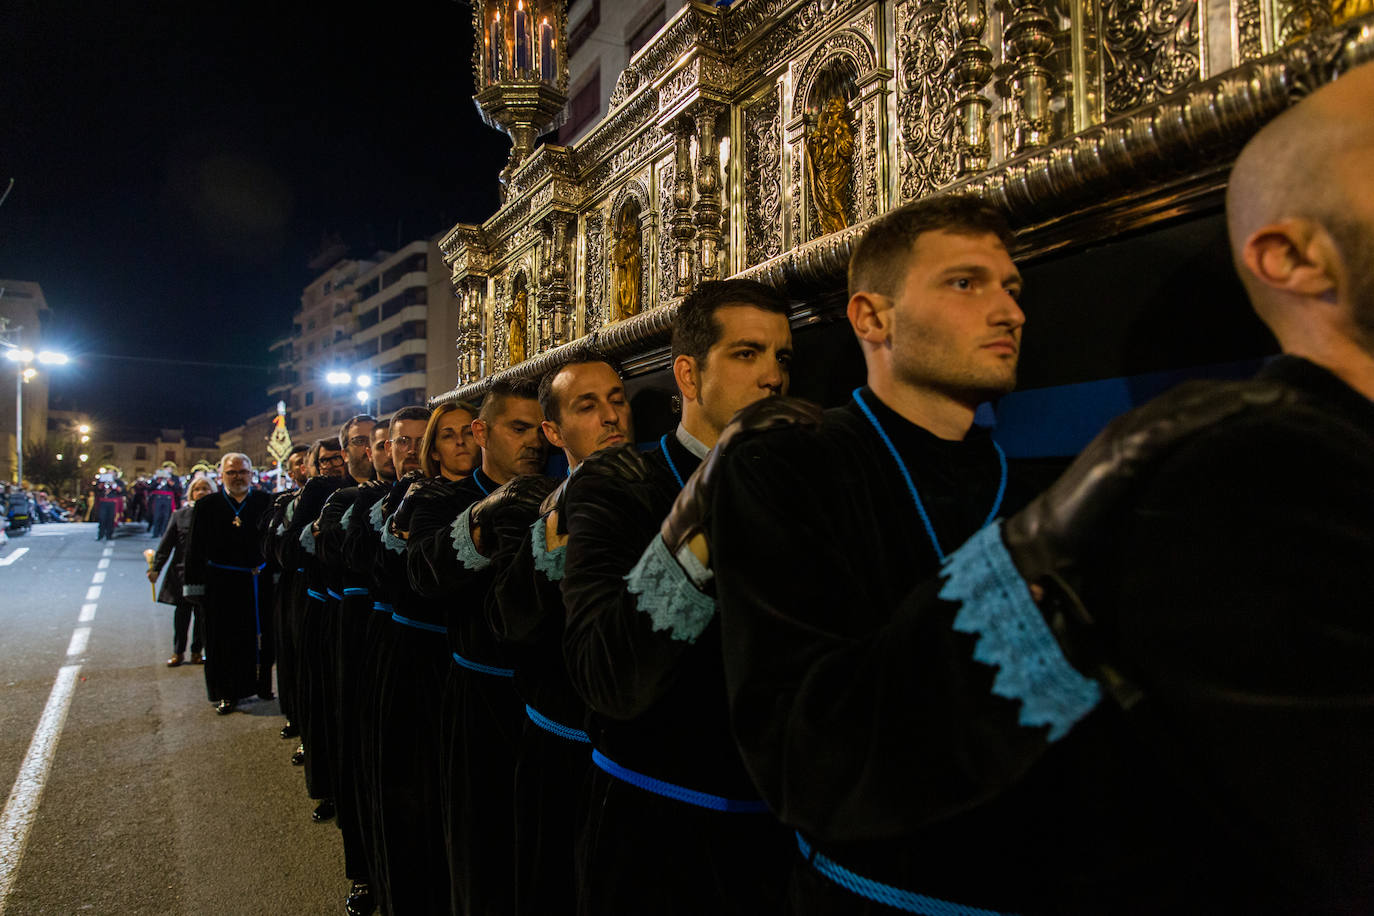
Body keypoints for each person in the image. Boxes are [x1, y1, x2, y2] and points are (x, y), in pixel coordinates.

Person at [558, 278, 794, 915]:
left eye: (782, 357)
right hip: (651, 823)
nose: (773, 376)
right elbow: (606, 674)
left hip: (776, 834)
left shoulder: (801, 475)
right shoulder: (617, 485)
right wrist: (702, 520)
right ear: (687, 374)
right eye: (747, 354)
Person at [490, 354, 633, 915]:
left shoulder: (669, 493)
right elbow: (512, 622)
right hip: (559, 742)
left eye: (618, 399)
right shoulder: (532, 508)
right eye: (588, 405)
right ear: (555, 430)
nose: (611, 416)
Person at [404, 379, 548, 916]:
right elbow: (420, 573)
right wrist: (483, 523)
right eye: (518, 428)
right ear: (484, 432)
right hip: (477, 697)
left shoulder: (557, 487)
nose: (533, 442)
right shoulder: (442, 500)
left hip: (548, 705)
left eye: (540, 429)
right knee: (480, 843)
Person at [182, 453, 275, 715]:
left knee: (260, 637)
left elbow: (274, 541)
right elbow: (194, 549)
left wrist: (276, 574)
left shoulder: (265, 501)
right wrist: (193, 585)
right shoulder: (206, 505)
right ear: (222, 475)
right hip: (219, 584)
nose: (237, 477)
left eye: (242, 472)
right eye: (231, 473)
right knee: (221, 640)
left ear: (250, 474)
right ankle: (225, 693)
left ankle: (261, 686)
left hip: (256, 581)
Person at [150, 476, 215, 667]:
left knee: (202, 615)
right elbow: (166, 544)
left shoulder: (216, 515)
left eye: (206, 489)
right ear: (191, 493)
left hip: (206, 573)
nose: (201, 492)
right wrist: (155, 568)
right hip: (181, 574)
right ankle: (178, 652)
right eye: (197, 489)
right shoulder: (179, 515)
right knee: (182, 615)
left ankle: (197, 652)